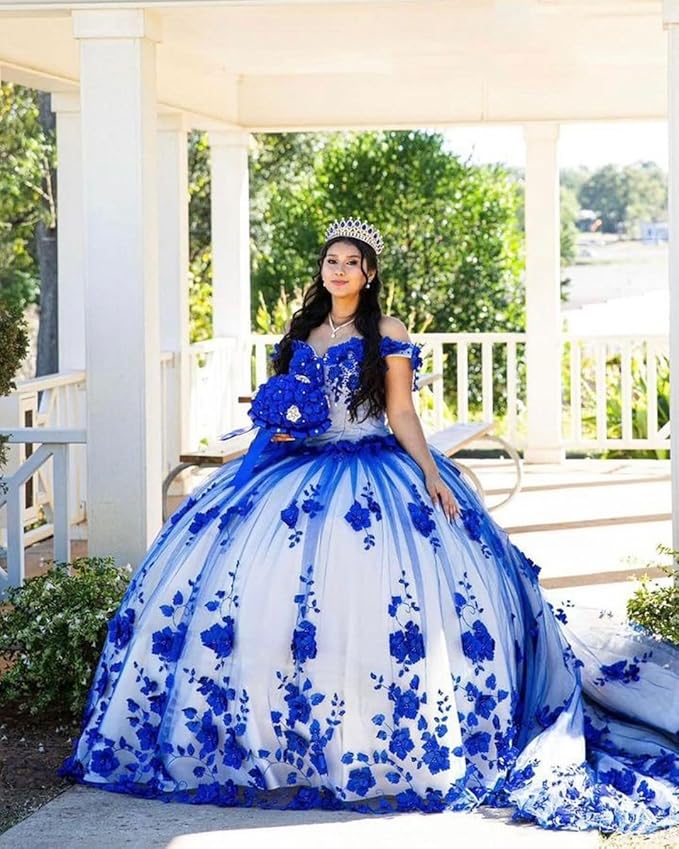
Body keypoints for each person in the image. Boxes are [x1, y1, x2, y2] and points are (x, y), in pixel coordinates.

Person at [59, 218, 679, 833]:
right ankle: (280, 743)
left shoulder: (386, 331)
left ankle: (376, 743)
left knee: (378, 605)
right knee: (266, 600)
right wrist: (283, 424)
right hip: (298, 469)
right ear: (323, 270)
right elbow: (290, 402)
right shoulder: (302, 329)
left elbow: (402, 410)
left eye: (351, 262)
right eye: (331, 260)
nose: (339, 270)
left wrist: (432, 471)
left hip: (372, 470)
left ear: (369, 273)